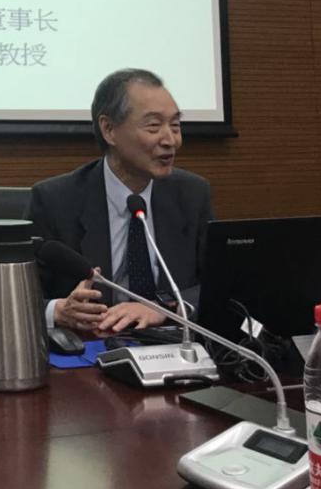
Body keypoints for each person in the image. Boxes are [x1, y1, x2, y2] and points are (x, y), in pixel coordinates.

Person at [29, 68, 213, 334]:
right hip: (93, 346)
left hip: (172, 345)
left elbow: (220, 285)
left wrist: (165, 308)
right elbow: (15, 298)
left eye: (175, 125)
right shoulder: (54, 200)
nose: (170, 140)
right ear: (109, 130)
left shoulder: (192, 194)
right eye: (153, 126)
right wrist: (58, 310)